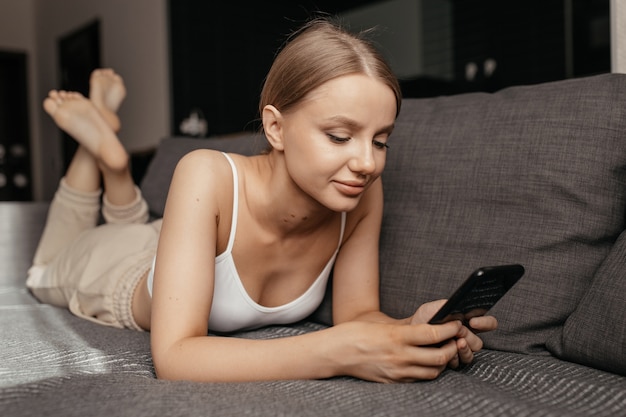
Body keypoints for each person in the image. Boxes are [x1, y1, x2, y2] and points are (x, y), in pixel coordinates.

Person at [27, 17, 497, 383]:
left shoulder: (361, 195)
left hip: (175, 241)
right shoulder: (205, 171)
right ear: (275, 128)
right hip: (118, 270)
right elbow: (175, 357)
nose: (367, 163)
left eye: (380, 141)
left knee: (133, 221)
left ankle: (112, 160)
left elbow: (357, 317)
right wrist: (338, 354)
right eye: (339, 136)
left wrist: (409, 329)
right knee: (45, 266)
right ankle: (105, 158)